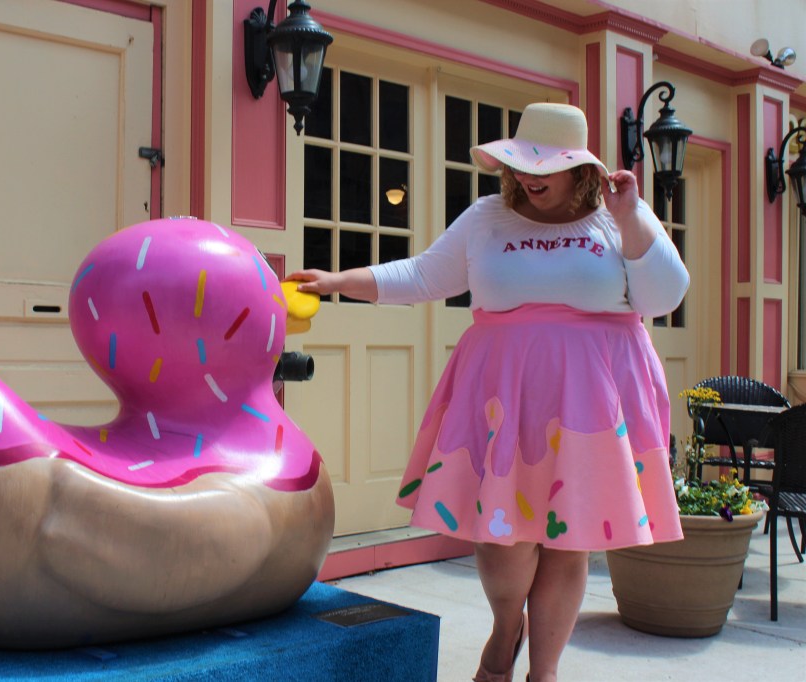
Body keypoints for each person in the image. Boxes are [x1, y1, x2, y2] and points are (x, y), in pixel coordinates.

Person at [287, 102, 689, 682]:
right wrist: (338, 281)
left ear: (580, 170)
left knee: (568, 541)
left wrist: (632, 219)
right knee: (502, 541)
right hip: (504, 396)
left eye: (546, 167)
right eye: (523, 164)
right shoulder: (487, 217)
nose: (529, 176)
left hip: (592, 403)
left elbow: (664, 296)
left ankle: (543, 673)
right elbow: (424, 274)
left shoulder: (617, 217)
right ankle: (506, 629)